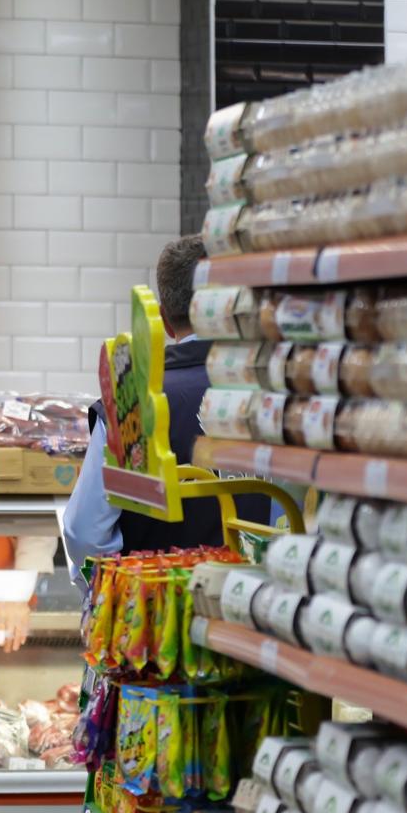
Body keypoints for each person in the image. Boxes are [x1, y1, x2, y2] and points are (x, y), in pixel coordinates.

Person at [62, 234, 271, 585]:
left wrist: (107, 604)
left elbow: (85, 533)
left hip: (161, 624)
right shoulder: (278, 394)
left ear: (164, 319)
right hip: (258, 613)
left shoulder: (134, 401)